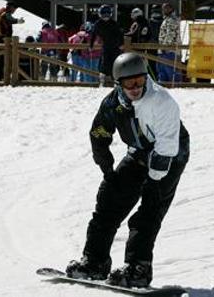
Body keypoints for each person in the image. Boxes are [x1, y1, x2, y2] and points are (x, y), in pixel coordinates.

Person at [66, 52, 190, 288]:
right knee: (108, 203)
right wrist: (107, 169)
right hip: (139, 153)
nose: (135, 88)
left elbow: (166, 146)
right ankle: (94, 262)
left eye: (140, 81)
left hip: (171, 156)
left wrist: (154, 182)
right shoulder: (113, 103)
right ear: (118, 84)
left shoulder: (162, 102)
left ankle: (138, 268)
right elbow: (99, 133)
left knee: (147, 214)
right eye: (129, 83)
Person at [0, 1, 25, 81]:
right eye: (15, 8)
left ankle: (0, 77)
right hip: (3, 40)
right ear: (11, 7)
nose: (15, 10)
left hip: (1, 40)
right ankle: (1, 78)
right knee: (3, 59)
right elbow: (9, 19)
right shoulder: (5, 14)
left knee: (1, 59)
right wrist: (18, 21)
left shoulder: (1, 13)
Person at [90, 5, 123, 85]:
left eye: (107, 14)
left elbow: (120, 34)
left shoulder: (113, 23)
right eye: (104, 14)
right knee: (105, 64)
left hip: (115, 46)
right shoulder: (98, 24)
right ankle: (106, 81)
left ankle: (115, 80)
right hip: (106, 46)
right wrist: (91, 45)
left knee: (114, 63)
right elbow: (93, 34)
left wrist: (121, 44)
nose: (105, 16)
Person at [157, 3, 182, 83]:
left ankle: (175, 87)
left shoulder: (172, 20)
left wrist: (165, 47)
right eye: (163, 8)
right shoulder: (166, 20)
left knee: (171, 72)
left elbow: (170, 35)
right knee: (162, 73)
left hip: (170, 51)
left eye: (167, 8)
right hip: (163, 51)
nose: (164, 10)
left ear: (171, 9)